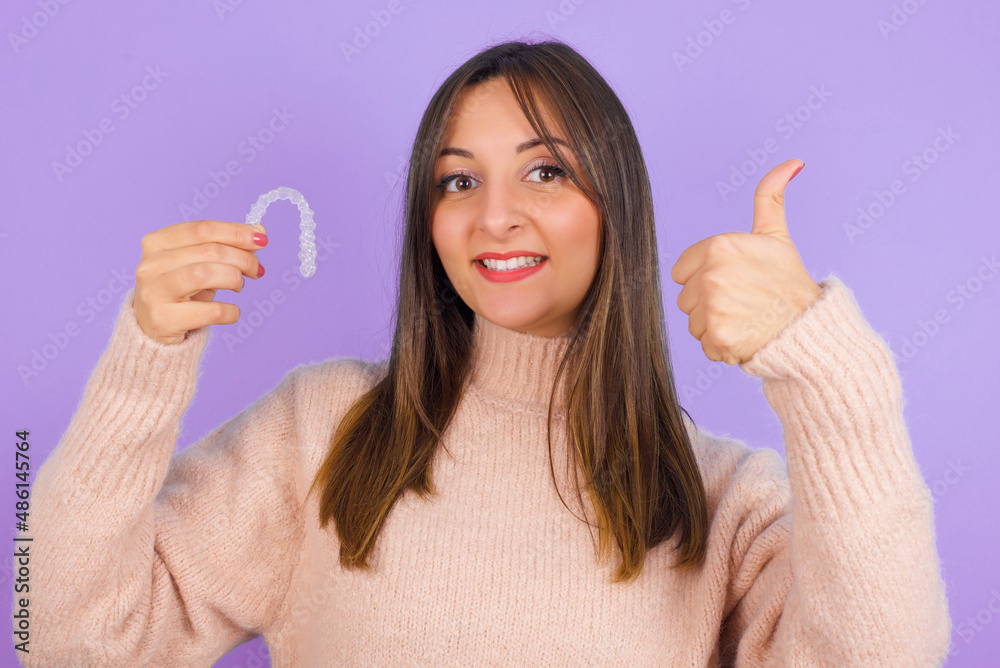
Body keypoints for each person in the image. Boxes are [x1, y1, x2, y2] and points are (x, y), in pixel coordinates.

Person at [17, 39, 951, 666]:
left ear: (614, 206)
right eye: (458, 180)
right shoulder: (322, 430)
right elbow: (55, 631)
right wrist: (140, 364)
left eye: (545, 170)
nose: (494, 214)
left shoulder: (722, 500)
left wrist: (822, 366)